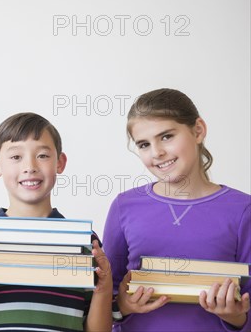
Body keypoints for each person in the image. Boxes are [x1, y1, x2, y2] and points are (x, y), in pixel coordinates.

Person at [103, 88, 251, 331]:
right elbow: (103, 298)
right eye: (143, 144)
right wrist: (124, 306)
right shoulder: (124, 206)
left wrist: (235, 317)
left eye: (167, 136)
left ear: (198, 130)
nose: (156, 153)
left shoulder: (243, 210)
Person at [0, 112, 113, 332]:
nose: (30, 166)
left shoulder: (83, 240)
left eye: (43, 156)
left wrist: (104, 289)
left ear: (60, 162)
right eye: (16, 157)